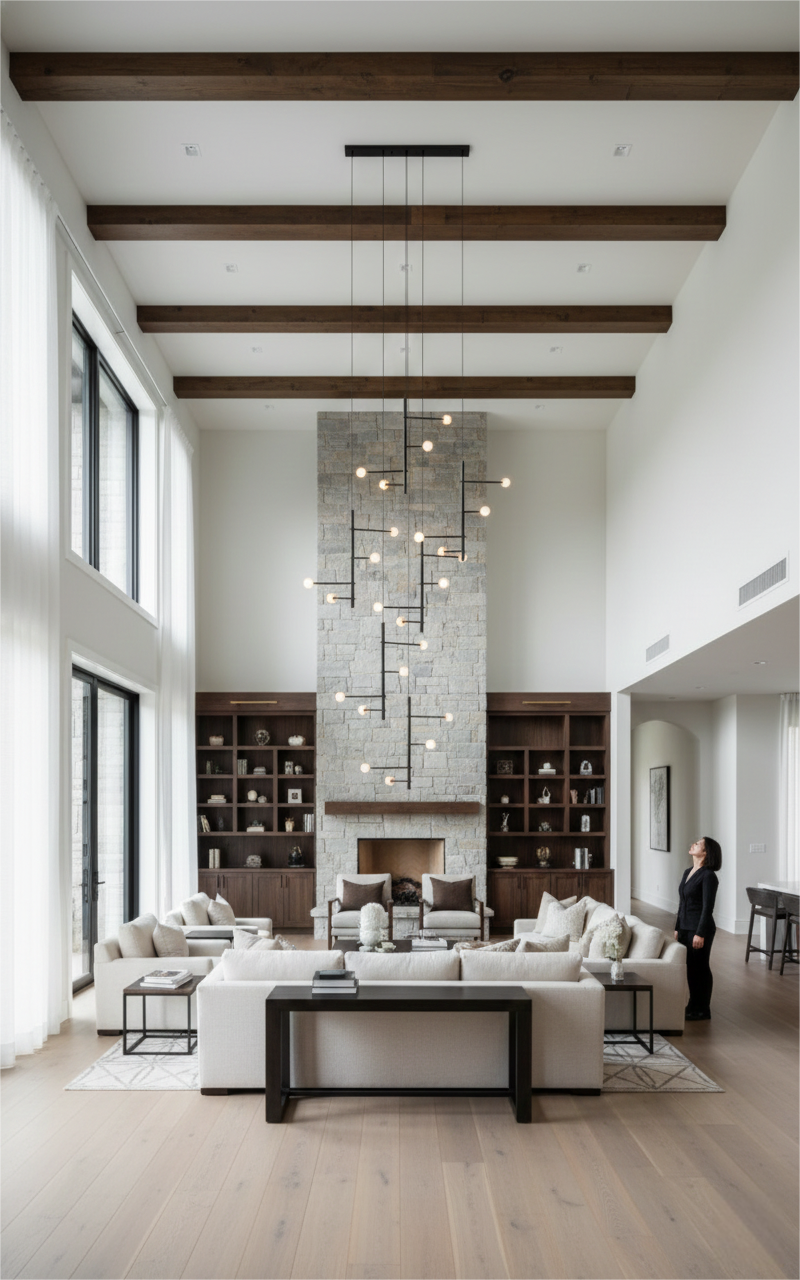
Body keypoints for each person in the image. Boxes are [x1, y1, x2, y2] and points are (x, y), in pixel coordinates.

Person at [674, 836, 721, 1020]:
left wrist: (700, 932)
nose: (693, 843)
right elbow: (682, 903)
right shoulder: (688, 872)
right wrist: (677, 927)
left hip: (700, 929)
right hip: (685, 927)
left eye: (698, 844)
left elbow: (707, 907)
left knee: (700, 967)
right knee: (690, 968)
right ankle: (693, 1004)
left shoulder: (709, 876)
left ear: (706, 852)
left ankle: (702, 1009)